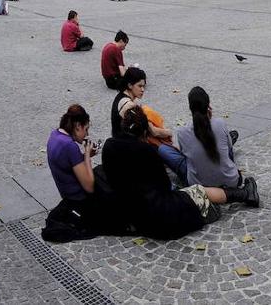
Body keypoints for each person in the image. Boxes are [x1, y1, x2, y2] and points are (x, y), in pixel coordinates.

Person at [102, 107, 259, 240]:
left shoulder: (109, 147)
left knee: (192, 191)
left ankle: (244, 193)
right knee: (199, 191)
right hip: (160, 216)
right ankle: (244, 193)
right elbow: (164, 186)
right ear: (145, 132)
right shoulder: (147, 151)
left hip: (134, 216)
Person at [109, 67, 187, 183]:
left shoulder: (121, 97)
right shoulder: (129, 105)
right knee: (162, 146)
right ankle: (184, 171)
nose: (143, 89)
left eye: (144, 86)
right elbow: (153, 131)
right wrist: (170, 132)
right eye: (139, 86)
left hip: (121, 142)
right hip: (128, 148)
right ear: (130, 85)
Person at [176, 87, 246, 189]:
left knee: (167, 151)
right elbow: (229, 147)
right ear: (208, 105)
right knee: (226, 144)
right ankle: (227, 138)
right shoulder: (219, 123)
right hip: (231, 181)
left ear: (190, 108)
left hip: (200, 187)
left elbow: (185, 155)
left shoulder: (181, 133)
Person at [46, 104, 100, 222]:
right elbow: (89, 187)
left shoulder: (54, 135)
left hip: (66, 194)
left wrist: (85, 156)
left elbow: (68, 163)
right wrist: (86, 156)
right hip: (79, 200)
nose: (86, 134)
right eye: (85, 129)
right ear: (77, 126)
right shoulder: (70, 146)